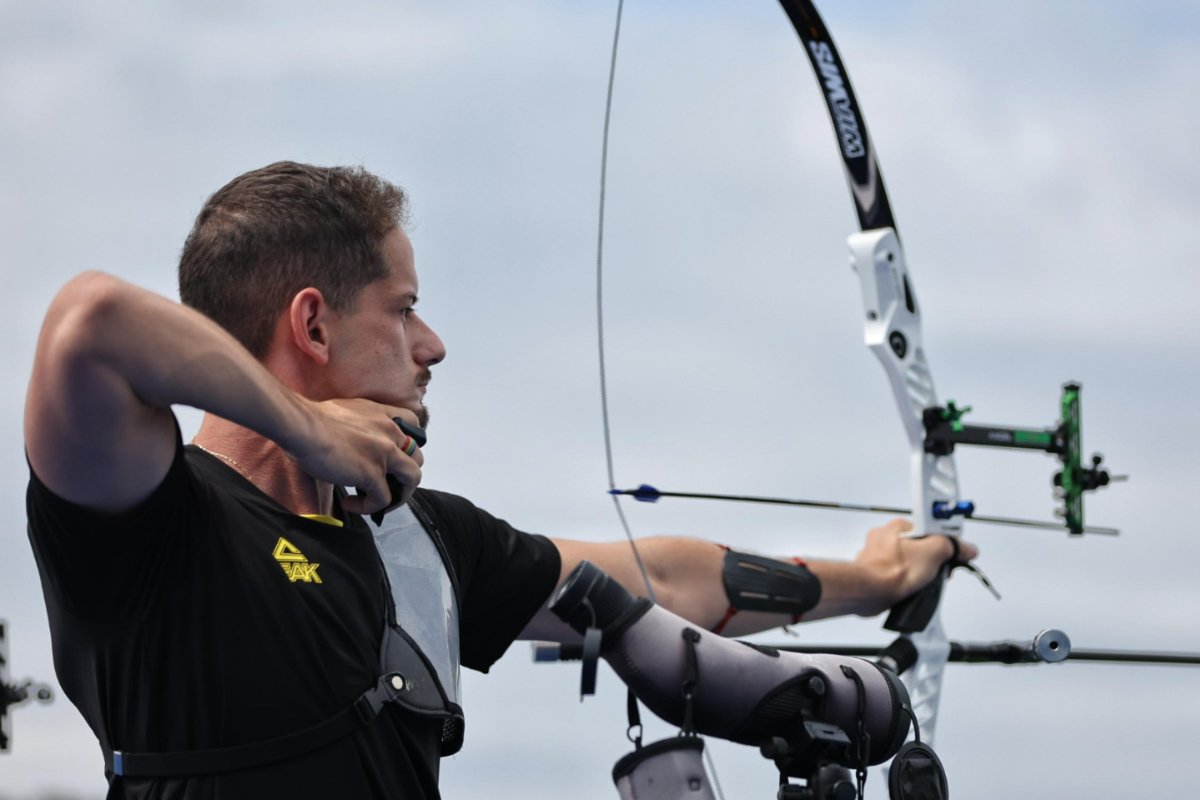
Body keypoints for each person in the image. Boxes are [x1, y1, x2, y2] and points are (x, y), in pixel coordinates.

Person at [24, 161, 976, 799]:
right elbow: (90, 322)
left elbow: (658, 582)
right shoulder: (153, 520)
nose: (433, 346)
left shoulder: (422, 542)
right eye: (404, 311)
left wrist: (872, 580)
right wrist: (309, 430)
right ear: (312, 328)